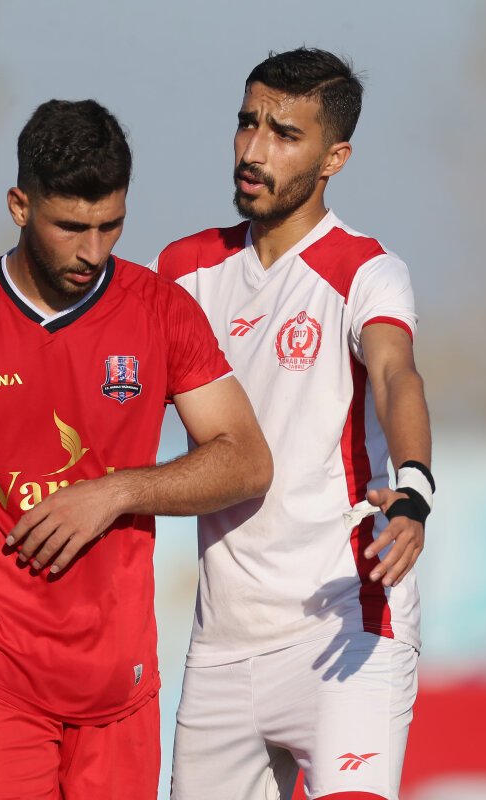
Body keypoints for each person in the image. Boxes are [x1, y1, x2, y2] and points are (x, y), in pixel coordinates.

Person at [0, 98, 272, 800]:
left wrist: (117, 491)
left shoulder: (161, 313)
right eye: (71, 227)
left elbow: (246, 460)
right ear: (20, 205)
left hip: (118, 681)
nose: (92, 251)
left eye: (110, 226)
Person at [151, 48, 433, 800]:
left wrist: (414, 487)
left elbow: (397, 374)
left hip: (345, 628)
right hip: (220, 645)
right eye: (247, 123)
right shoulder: (183, 269)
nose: (253, 149)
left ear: (334, 158)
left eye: (284, 134)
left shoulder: (366, 269)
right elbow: (106, 390)